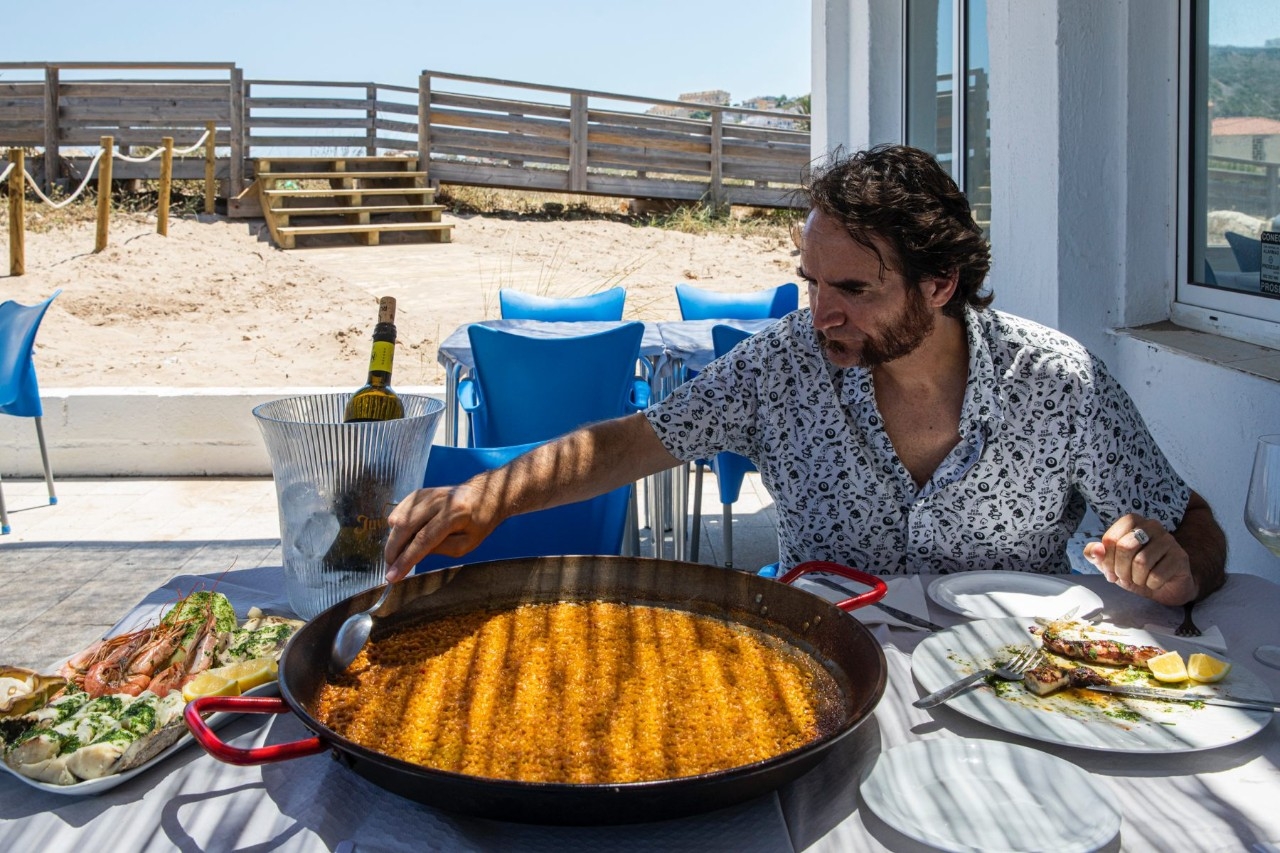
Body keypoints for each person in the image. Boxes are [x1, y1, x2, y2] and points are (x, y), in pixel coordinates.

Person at [384, 144, 1225, 607]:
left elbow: (1191, 524)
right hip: (834, 678)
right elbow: (628, 444)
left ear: (940, 285)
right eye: (810, 281)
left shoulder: (1058, 380)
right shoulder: (782, 363)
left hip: (1017, 695)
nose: (820, 311)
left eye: (853, 289)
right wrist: (483, 496)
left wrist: (1176, 564)